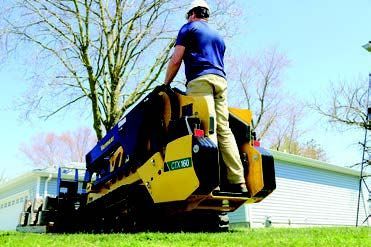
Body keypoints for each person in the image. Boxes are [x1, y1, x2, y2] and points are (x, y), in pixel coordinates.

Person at [164, 0, 247, 193]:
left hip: (200, 81)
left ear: (192, 14)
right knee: (223, 129)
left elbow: (176, 59)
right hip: (221, 82)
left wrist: (166, 84)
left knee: (205, 127)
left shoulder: (189, 28)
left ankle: (212, 182)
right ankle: (238, 181)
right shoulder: (218, 37)